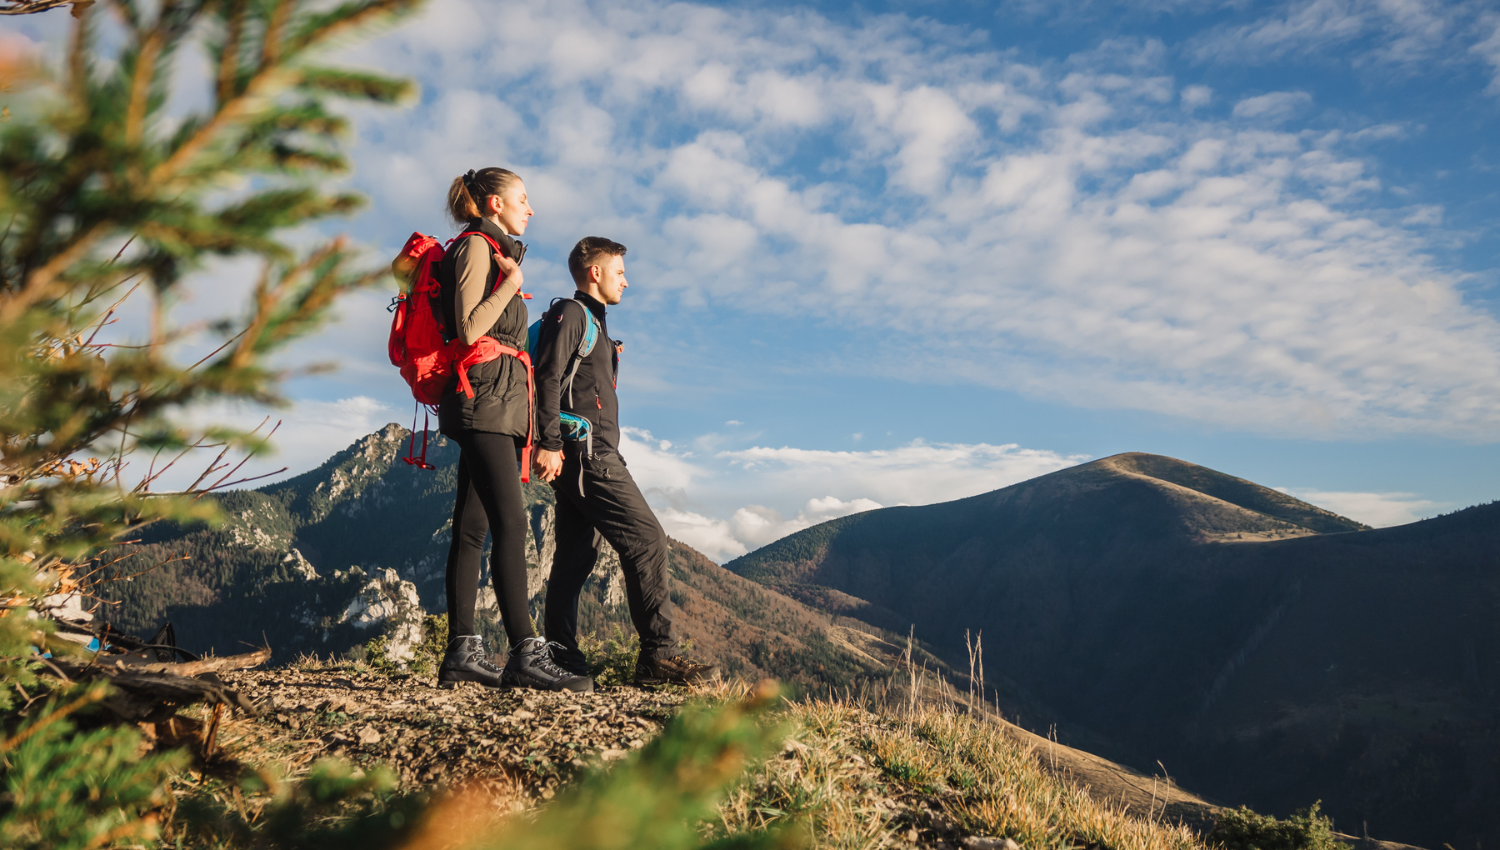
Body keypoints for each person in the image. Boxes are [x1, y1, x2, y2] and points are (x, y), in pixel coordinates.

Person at [532, 237, 718, 686]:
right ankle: (659, 656)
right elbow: (549, 376)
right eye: (619, 272)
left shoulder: (589, 322)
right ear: (594, 272)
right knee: (647, 538)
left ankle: (561, 657)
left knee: (576, 557)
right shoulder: (574, 314)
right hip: (586, 452)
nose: (625, 281)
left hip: (586, 450)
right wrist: (550, 442)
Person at [434, 167, 591, 693]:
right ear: (494, 203)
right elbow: (467, 328)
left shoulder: (492, 250)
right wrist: (514, 285)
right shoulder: (476, 247)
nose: (531, 208)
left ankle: (462, 652)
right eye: (522, 199)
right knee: (511, 523)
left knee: (473, 527)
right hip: (483, 401)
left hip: (495, 403)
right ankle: (525, 652)